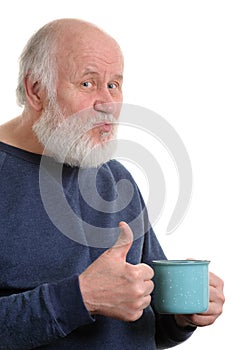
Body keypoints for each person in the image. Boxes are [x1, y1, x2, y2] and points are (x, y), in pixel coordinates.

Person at [0, 18, 224, 350]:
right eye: (88, 84)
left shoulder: (116, 176)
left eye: (114, 85)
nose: (107, 104)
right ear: (36, 90)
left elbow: (145, 322)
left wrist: (180, 318)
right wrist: (80, 299)